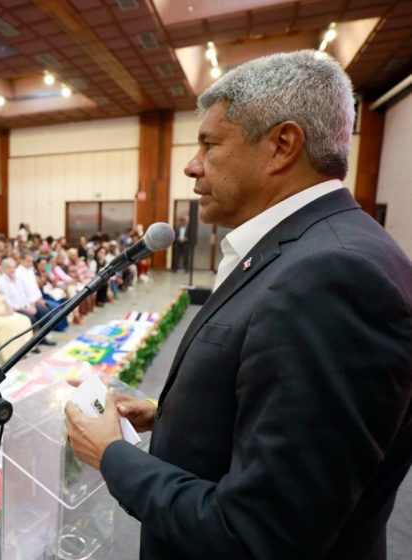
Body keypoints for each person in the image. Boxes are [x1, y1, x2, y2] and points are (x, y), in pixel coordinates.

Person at [64, 51, 412, 560]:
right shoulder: (311, 250)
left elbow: (261, 534)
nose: (191, 165)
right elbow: (294, 422)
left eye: (209, 143)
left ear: (281, 146)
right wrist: (170, 416)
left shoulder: (332, 275)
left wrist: (111, 455)